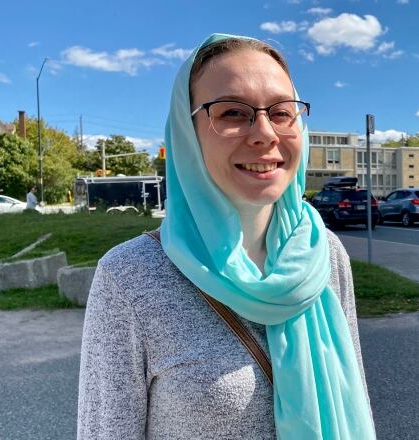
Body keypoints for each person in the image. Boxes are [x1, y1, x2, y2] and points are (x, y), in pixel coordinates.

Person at [77, 34, 375, 439]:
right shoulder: (130, 277)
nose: (265, 133)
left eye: (283, 113)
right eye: (233, 113)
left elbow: (353, 391)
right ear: (187, 131)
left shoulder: (324, 253)